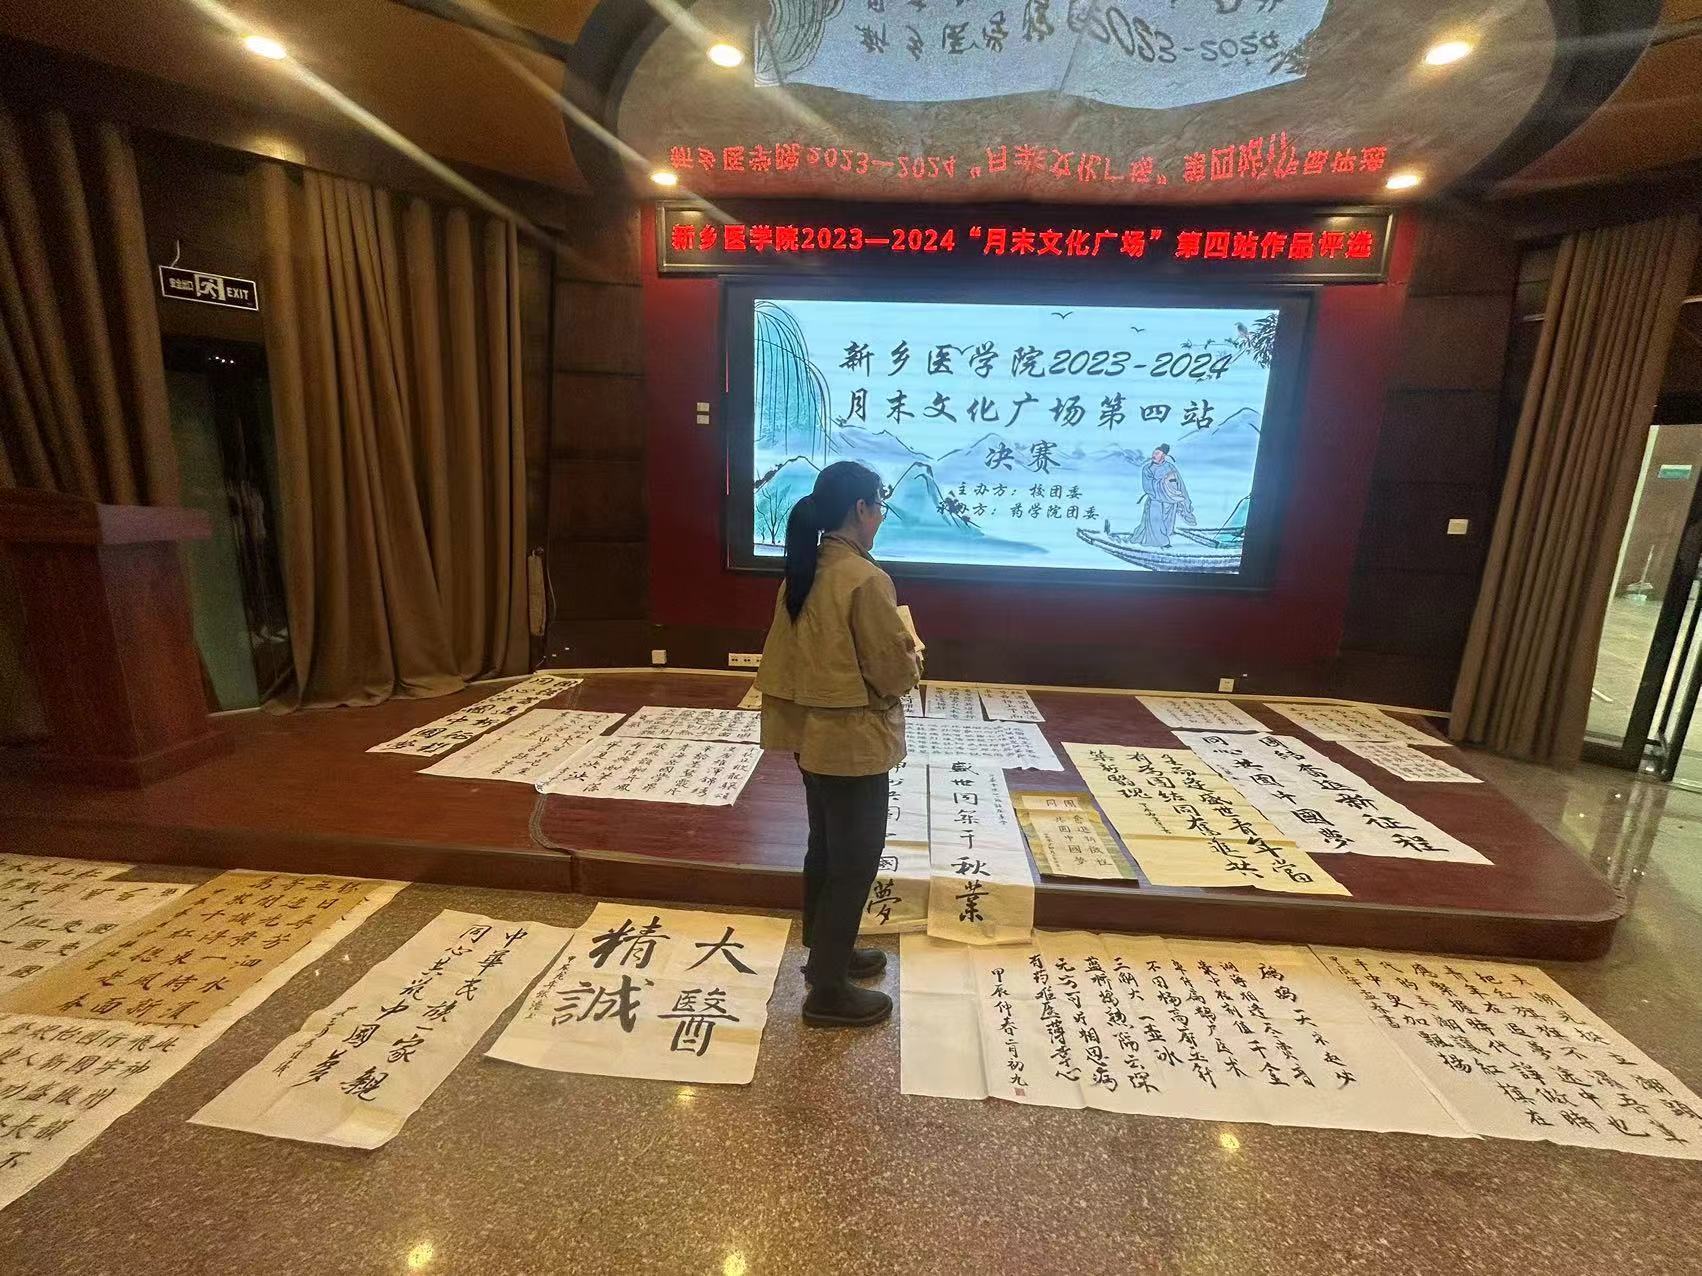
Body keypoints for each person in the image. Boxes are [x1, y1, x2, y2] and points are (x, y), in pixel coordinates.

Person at [754, 461, 921, 1028]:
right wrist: (914, 660)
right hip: (852, 740)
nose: (881, 517)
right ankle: (827, 990)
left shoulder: (805, 570)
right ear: (861, 508)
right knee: (855, 858)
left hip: (811, 734)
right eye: (879, 506)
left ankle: (828, 954)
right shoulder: (865, 579)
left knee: (825, 848)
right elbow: (891, 671)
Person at [1133, 443, 1196, 548]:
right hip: (1155, 500)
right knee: (1155, 522)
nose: (1154, 455)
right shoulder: (1147, 468)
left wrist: (1183, 499)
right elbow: (1148, 486)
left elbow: (1180, 484)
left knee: (1167, 524)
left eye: (1157, 453)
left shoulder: (1170, 467)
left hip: (1170, 501)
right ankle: (1161, 542)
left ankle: (1165, 540)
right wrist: (1164, 482)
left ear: (1163, 455)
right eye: (1154, 453)